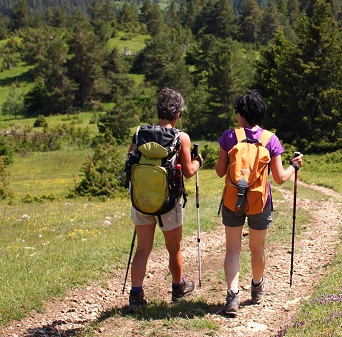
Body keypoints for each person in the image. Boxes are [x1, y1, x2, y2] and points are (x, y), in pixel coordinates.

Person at [215, 89, 303, 317]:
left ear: (242, 114)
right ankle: (256, 287)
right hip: (259, 200)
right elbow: (280, 178)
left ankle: (232, 296)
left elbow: (219, 171)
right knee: (257, 248)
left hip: (233, 199)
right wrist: (294, 166)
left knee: (232, 250)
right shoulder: (270, 139)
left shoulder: (229, 136)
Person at [128, 88, 203, 311]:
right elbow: (189, 171)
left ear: (159, 110)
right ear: (178, 113)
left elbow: (130, 161)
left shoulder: (140, 132)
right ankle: (178, 287)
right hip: (169, 201)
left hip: (141, 199)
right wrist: (198, 161)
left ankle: (136, 295)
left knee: (143, 249)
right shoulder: (181, 138)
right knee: (174, 248)